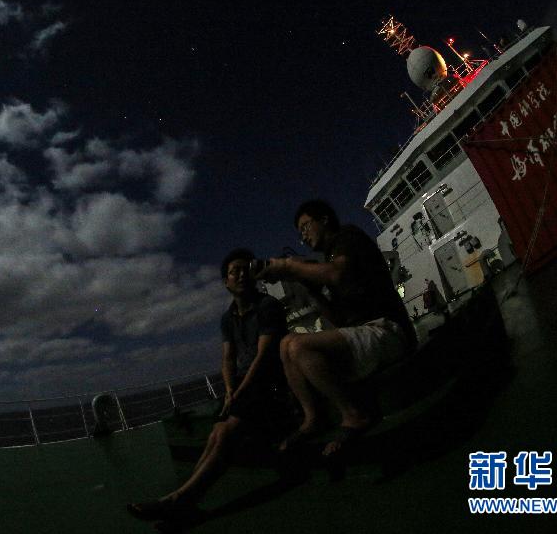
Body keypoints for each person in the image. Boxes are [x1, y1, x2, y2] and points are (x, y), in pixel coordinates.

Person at [127, 248, 287, 522]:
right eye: (233, 271)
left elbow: (264, 356)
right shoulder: (228, 318)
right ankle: (185, 498)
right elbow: (228, 358)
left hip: (270, 383)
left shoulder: (267, 306)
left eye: (245, 268)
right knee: (216, 433)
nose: (240, 274)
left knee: (225, 433)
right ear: (226, 282)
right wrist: (228, 391)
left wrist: (239, 391)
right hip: (244, 388)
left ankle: (178, 499)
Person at [257, 199, 417, 458]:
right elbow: (341, 321)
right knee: (286, 344)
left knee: (298, 345)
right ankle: (312, 418)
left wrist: (288, 266)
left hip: (390, 331)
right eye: (300, 234)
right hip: (367, 334)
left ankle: (354, 415)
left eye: (306, 227)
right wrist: (308, 286)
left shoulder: (348, 238)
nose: (304, 236)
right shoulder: (331, 260)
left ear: (324, 219)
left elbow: (336, 275)